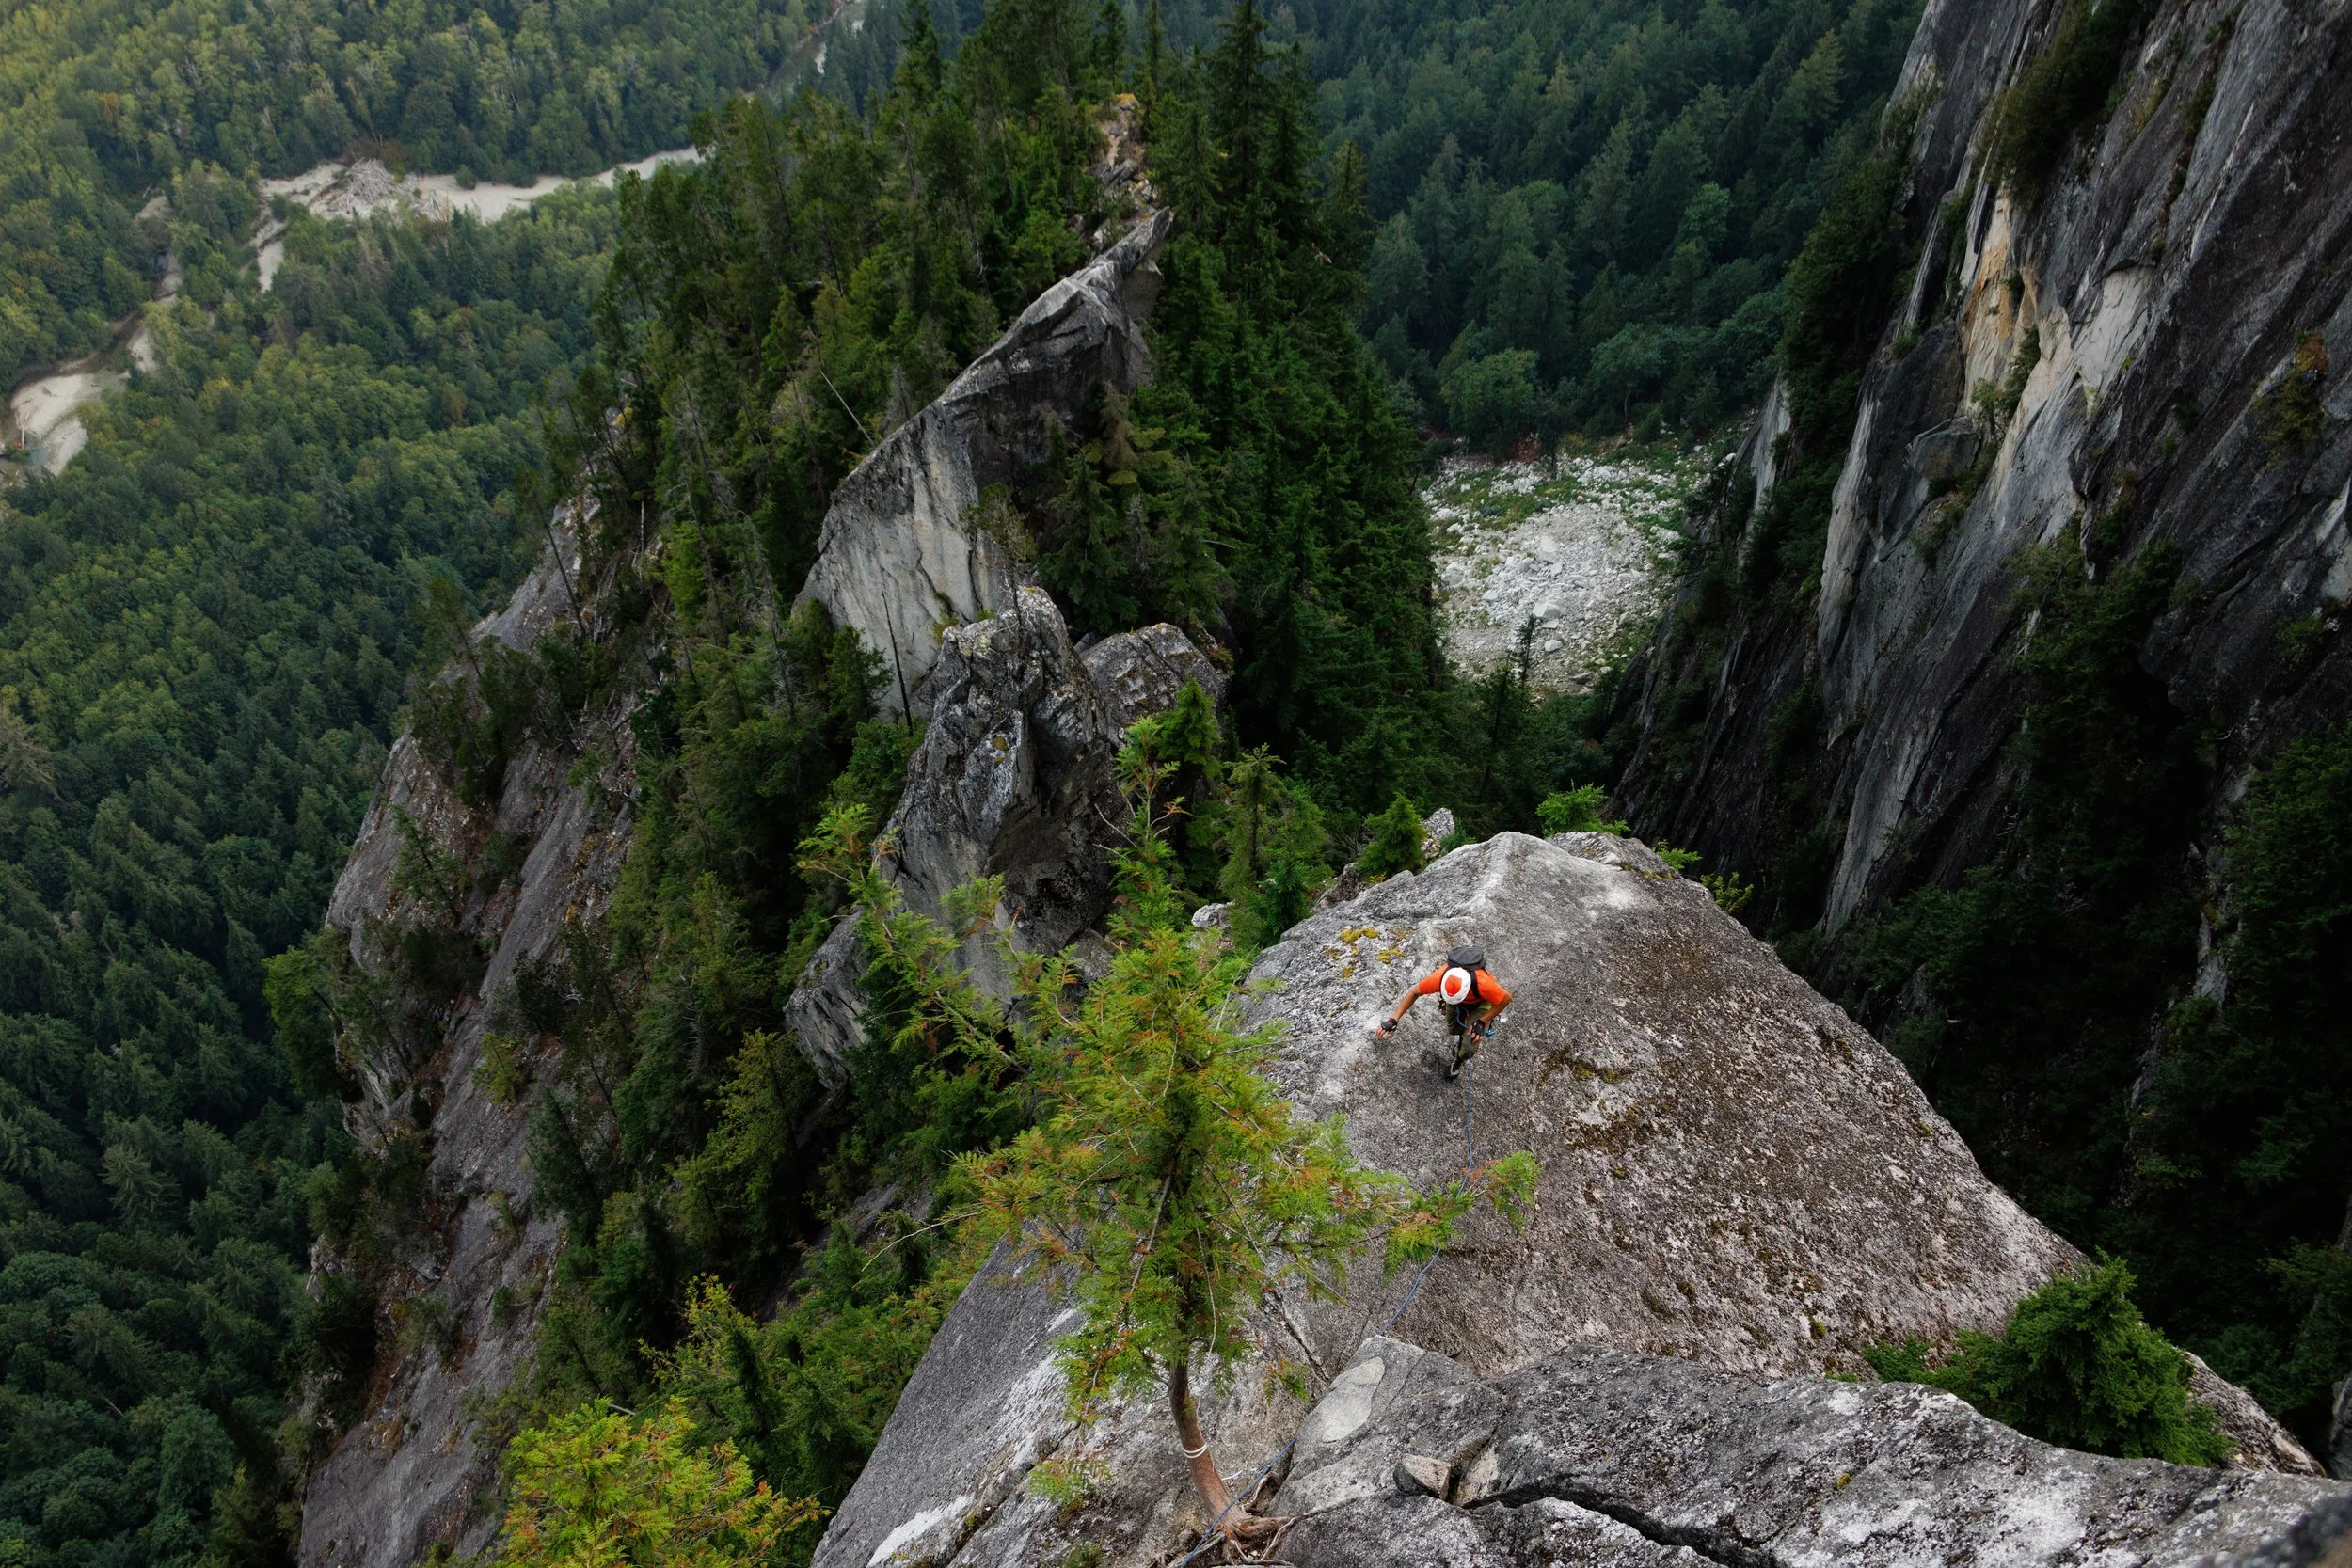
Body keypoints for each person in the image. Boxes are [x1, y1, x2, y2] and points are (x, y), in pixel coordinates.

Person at [1374, 942, 1512, 1078]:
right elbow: (1414, 993)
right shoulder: (1439, 978)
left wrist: (1482, 1021)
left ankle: (1458, 1060)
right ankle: (1460, 1031)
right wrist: (1394, 1019)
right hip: (1453, 1001)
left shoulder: (1484, 984)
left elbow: (1506, 999)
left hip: (1481, 1004)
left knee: (1469, 1046)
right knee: (1453, 1030)